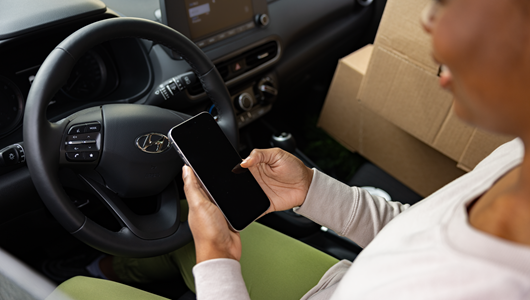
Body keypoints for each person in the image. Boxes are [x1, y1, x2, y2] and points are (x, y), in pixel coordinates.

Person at [50, 0, 530, 299]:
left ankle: (88, 273)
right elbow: (420, 233)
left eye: (449, 0)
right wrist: (312, 189)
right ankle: (110, 266)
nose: (425, 18)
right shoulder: (517, 152)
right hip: (332, 285)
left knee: (68, 291)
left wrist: (217, 260)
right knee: (180, 220)